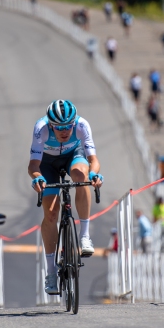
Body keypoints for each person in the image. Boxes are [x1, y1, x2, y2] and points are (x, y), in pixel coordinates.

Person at [28, 100, 104, 295]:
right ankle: (51, 272)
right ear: (51, 125)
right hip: (47, 163)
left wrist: (94, 175)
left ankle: (84, 236)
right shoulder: (41, 128)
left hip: (73, 155)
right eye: (59, 128)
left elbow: (93, 160)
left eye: (68, 126)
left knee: (81, 176)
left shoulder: (81, 125)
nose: (64, 131)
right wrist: (38, 179)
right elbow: (33, 166)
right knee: (52, 213)